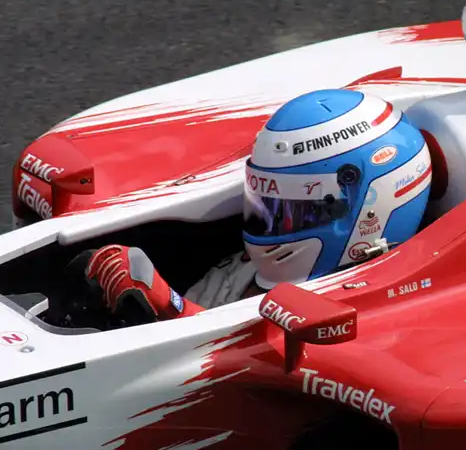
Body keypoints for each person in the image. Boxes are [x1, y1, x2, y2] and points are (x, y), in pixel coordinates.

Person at [83, 88, 433, 321]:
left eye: (296, 211)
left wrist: (168, 307)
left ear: (369, 213)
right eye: (266, 206)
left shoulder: (380, 310)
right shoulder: (244, 271)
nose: (273, 224)